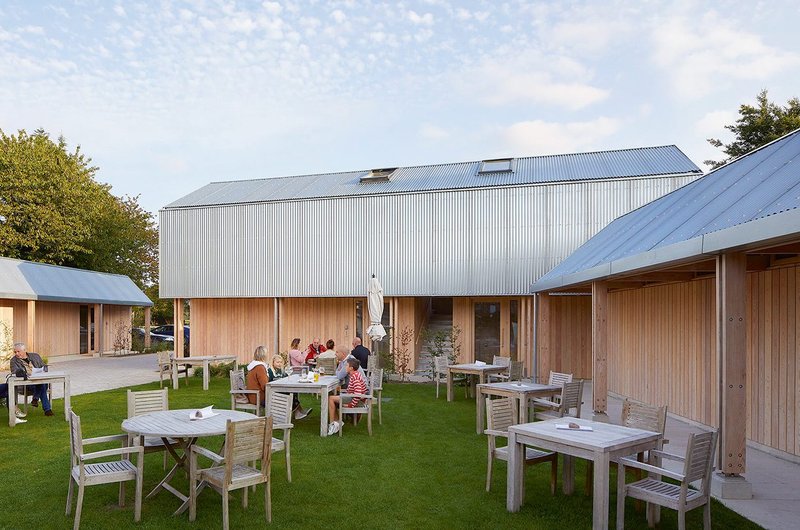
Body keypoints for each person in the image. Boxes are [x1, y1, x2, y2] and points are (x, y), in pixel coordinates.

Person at [246, 347, 311, 420]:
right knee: (289, 392)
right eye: (266, 353)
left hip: (255, 395)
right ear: (263, 355)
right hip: (259, 397)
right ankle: (293, 413)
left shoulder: (254, 366)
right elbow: (265, 386)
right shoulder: (259, 367)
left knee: (289, 391)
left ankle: (297, 412)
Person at [10, 342, 53, 417]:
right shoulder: (13, 361)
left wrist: (44, 368)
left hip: (39, 380)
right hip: (26, 383)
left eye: (18, 351)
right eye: (15, 352)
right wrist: (23, 373)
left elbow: (44, 366)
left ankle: (36, 399)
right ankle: (46, 409)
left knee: (42, 383)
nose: (16, 353)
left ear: (24, 350)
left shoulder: (35, 356)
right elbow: (14, 372)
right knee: (43, 385)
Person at [327, 357, 367, 435]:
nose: (345, 367)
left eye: (346, 366)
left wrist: (350, 405)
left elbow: (358, 394)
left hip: (355, 400)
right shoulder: (355, 375)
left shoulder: (355, 377)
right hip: (351, 397)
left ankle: (332, 424)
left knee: (331, 398)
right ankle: (337, 422)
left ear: (351, 368)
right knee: (332, 397)